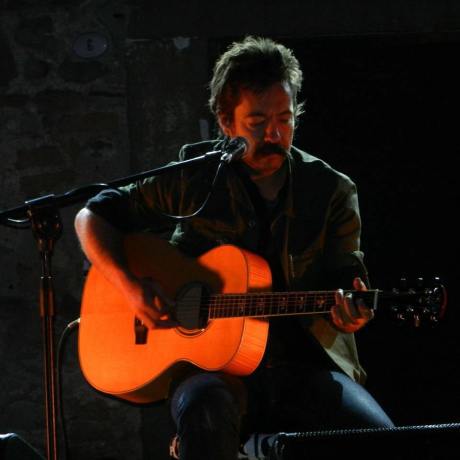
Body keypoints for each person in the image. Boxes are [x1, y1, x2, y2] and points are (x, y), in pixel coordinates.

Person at [75, 36, 394, 460]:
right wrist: (130, 287)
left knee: (382, 441)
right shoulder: (195, 177)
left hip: (306, 367)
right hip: (211, 370)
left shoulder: (331, 190)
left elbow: (346, 274)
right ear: (227, 123)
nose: (274, 134)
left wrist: (351, 310)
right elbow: (92, 216)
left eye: (285, 119)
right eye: (257, 121)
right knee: (207, 408)